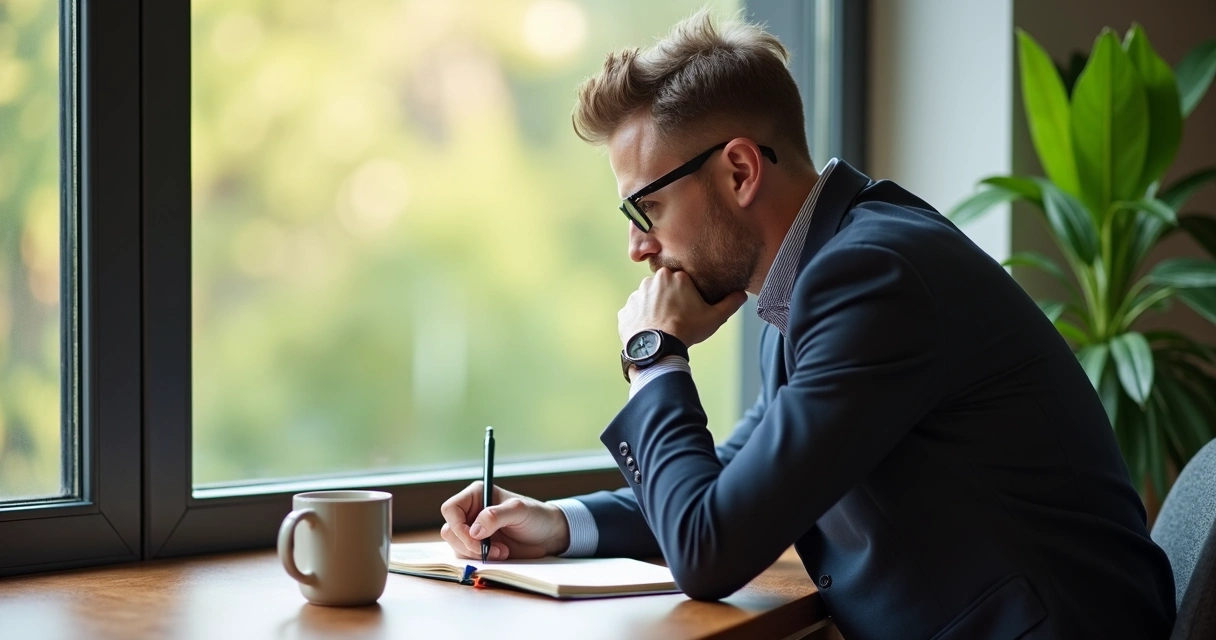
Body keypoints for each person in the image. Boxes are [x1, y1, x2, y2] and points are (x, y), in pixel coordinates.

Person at [439, 10, 1176, 639]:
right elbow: (736, 483)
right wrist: (560, 523)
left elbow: (709, 551)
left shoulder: (871, 277)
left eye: (647, 208)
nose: (637, 247)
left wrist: (653, 353)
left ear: (738, 171)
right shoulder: (826, 271)